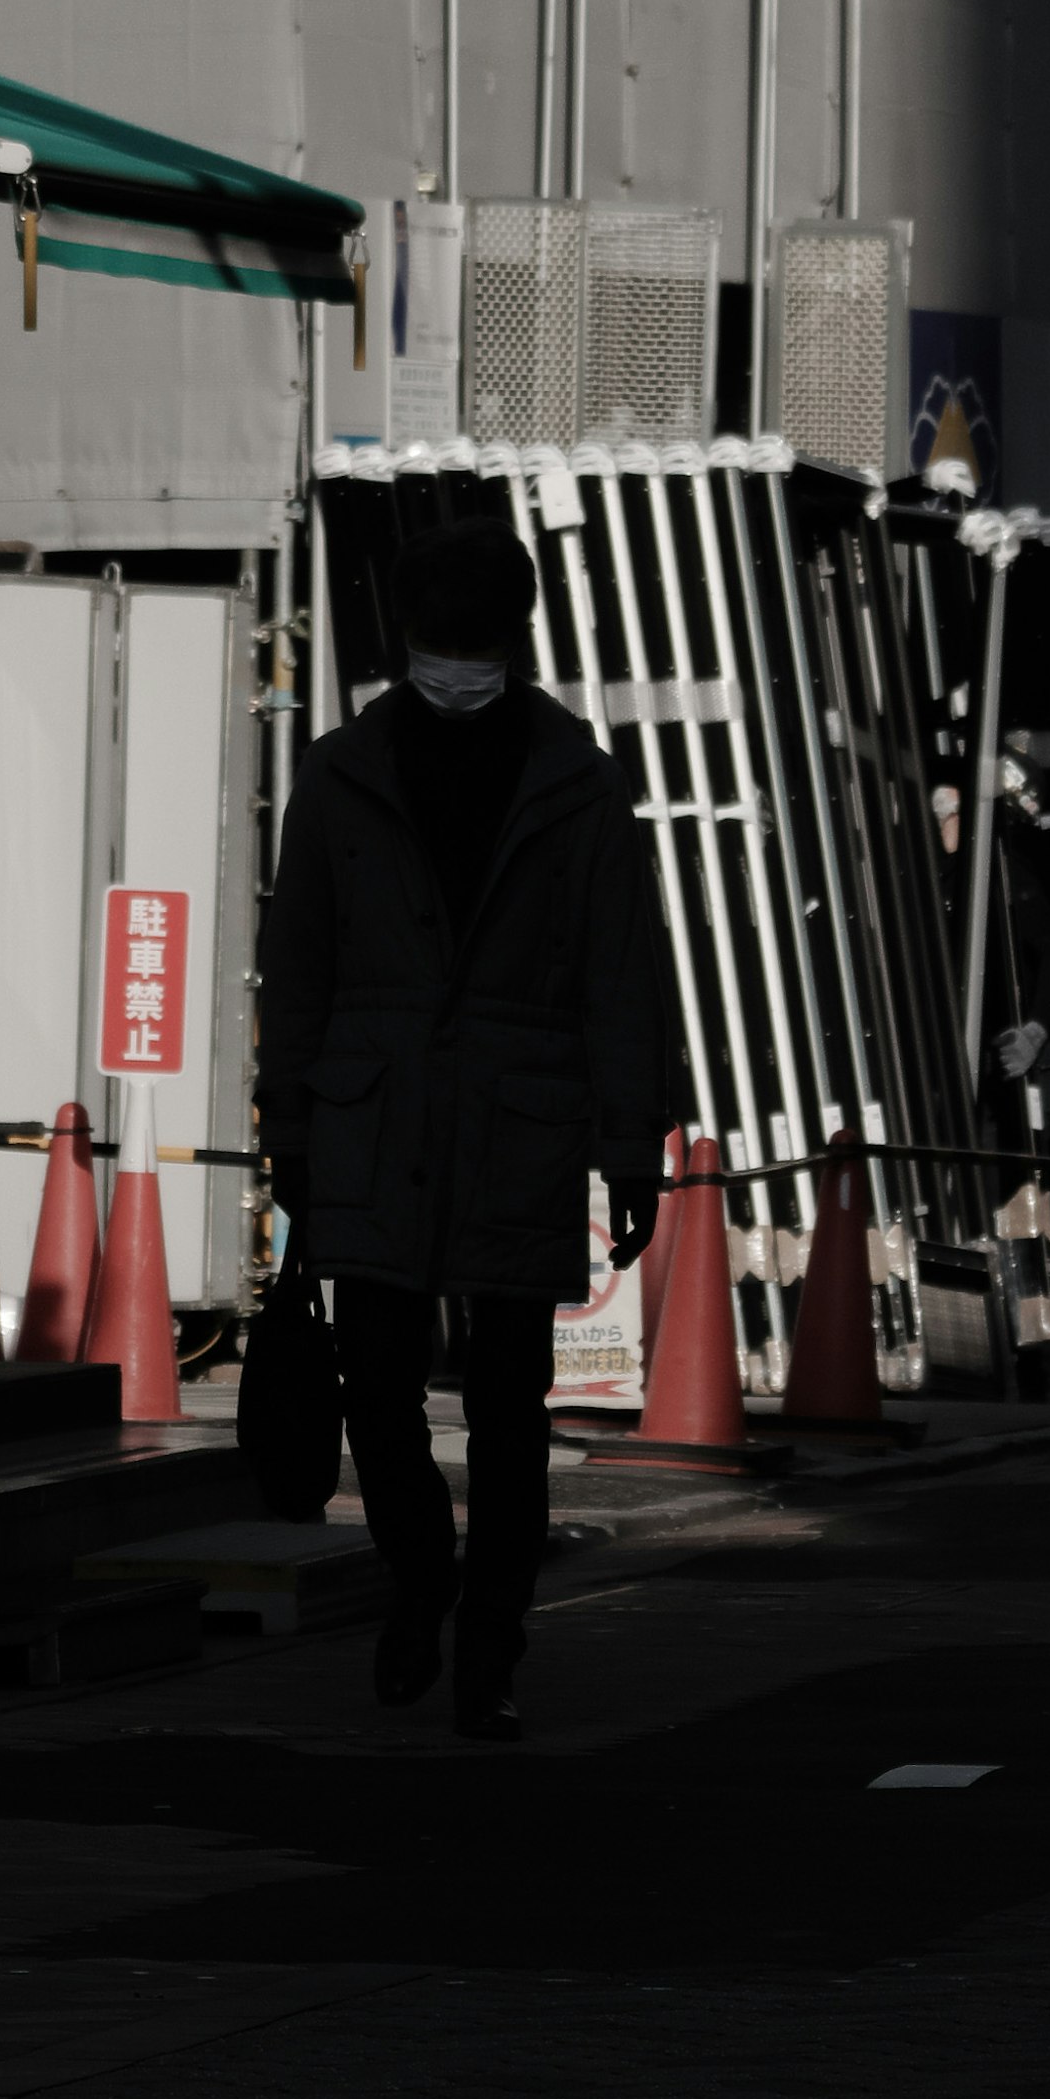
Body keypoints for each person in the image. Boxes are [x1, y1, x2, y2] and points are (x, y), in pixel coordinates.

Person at [257, 517, 672, 1739]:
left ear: (511, 641)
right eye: (437, 643)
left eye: (471, 643)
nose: (453, 665)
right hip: (377, 1119)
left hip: (517, 1124)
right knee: (375, 1387)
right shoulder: (339, 775)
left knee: (510, 1408)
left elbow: (620, 969)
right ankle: (421, 1577)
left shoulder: (576, 782)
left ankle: (489, 1644)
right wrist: (290, 1119)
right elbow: (300, 965)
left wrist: (630, 1138)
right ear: (406, 640)